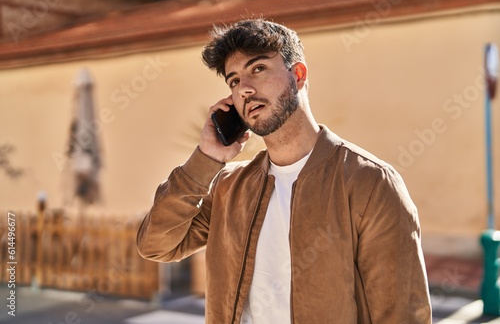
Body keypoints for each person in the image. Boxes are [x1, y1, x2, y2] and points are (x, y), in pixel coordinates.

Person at [136, 18, 432, 323]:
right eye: (234, 81)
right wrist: (207, 157)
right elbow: (155, 245)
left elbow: (402, 315)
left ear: (298, 75)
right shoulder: (228, 187)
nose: (245, 90)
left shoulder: (369, 182)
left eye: (258, 69)